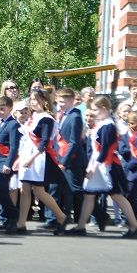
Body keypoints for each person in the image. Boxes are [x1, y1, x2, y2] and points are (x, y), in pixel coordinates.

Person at [67, 96, 137, 238]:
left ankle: (135, 226)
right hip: (99, 164)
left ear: (104, 109)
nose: (93, 113)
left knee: (117, 196)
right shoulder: (103, 124)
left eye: (95, 110)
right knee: (89, 194)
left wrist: (93, 167)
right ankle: (81, 226)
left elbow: (105, 150)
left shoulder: (108, 125)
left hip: (108, 165)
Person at [16, 89, 67, 234]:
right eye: (31, 99)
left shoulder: (46, 118)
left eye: (36, 99)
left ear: (44, 101)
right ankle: (21, 223)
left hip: (39, 158)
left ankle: (61, 216)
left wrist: (31, 159)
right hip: (28, 155)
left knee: (38, 191)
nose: (33, 102)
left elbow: (44, 143)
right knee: (25, 189)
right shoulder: (33, 117)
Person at [55, 88, 87, 226]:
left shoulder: (75, 116)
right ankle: (67, 216)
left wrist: (64, 161)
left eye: (63, 101)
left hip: (73, 159)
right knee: (68, 189)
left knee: (76, 190)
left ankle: (83, 218)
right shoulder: (64, 114)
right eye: (59, 101)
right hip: (65, 157)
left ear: (71, 101)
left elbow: (74, 142)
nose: (60, 104)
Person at [0, 96, 20, 234]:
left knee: (2, 190)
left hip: (5, 162)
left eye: (3, 109)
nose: (0, 111)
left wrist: (8, 164)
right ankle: (5, 220)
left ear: (10, 109)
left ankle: (13, 217)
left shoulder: (13, 124)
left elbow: (14, 147)